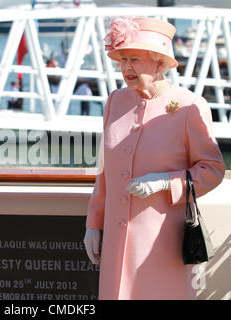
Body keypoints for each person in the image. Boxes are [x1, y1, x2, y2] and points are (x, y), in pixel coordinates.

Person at [83, 17, 225, 300]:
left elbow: (213, 169)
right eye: (122, 59)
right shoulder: (116, 101)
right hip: (115, 241)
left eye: (134, 59)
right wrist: (93, 225)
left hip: (162, 244)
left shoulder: (189, 106)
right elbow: (105, 171)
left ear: (160, 62)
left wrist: (164, 182)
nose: (126, 68)